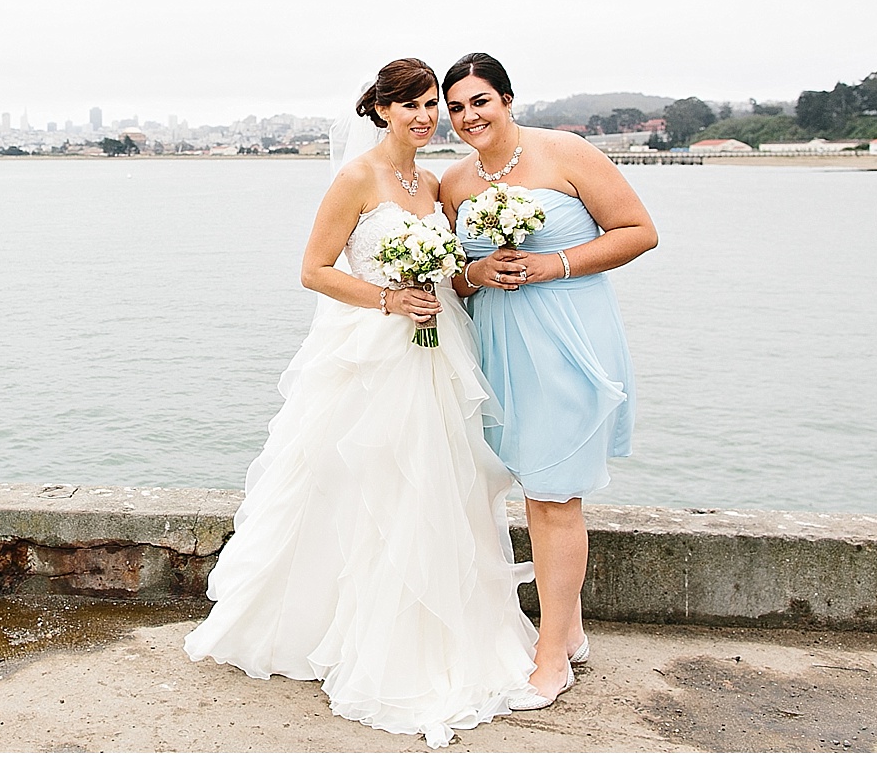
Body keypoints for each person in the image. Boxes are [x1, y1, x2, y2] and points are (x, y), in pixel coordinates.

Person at [181, 58, 540, 744]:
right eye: (408, 103)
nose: (424, 114)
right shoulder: (355, 178)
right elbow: (313, 269)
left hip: (437, 354)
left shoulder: (431, 181)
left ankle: (436, 633)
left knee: (438, 488)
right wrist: (385, 297)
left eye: (431, 102)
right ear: (379, 110)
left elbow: (442, 277)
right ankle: (346, 634)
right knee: (371, 489)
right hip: (372, 354)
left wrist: (474, 271)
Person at [435, 51, 659, 710]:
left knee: (554, 492)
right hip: (500, 348)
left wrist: (552, 262)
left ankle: (552, 654)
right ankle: (574, 629)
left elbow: (639, 231)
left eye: (479, 100)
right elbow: (453, 274)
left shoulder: (566, 153)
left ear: (506, 100)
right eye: (456, 106)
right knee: (530, 483)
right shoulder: (453, 181)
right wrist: (476, 274)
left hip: (567, 340)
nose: (468, 115)